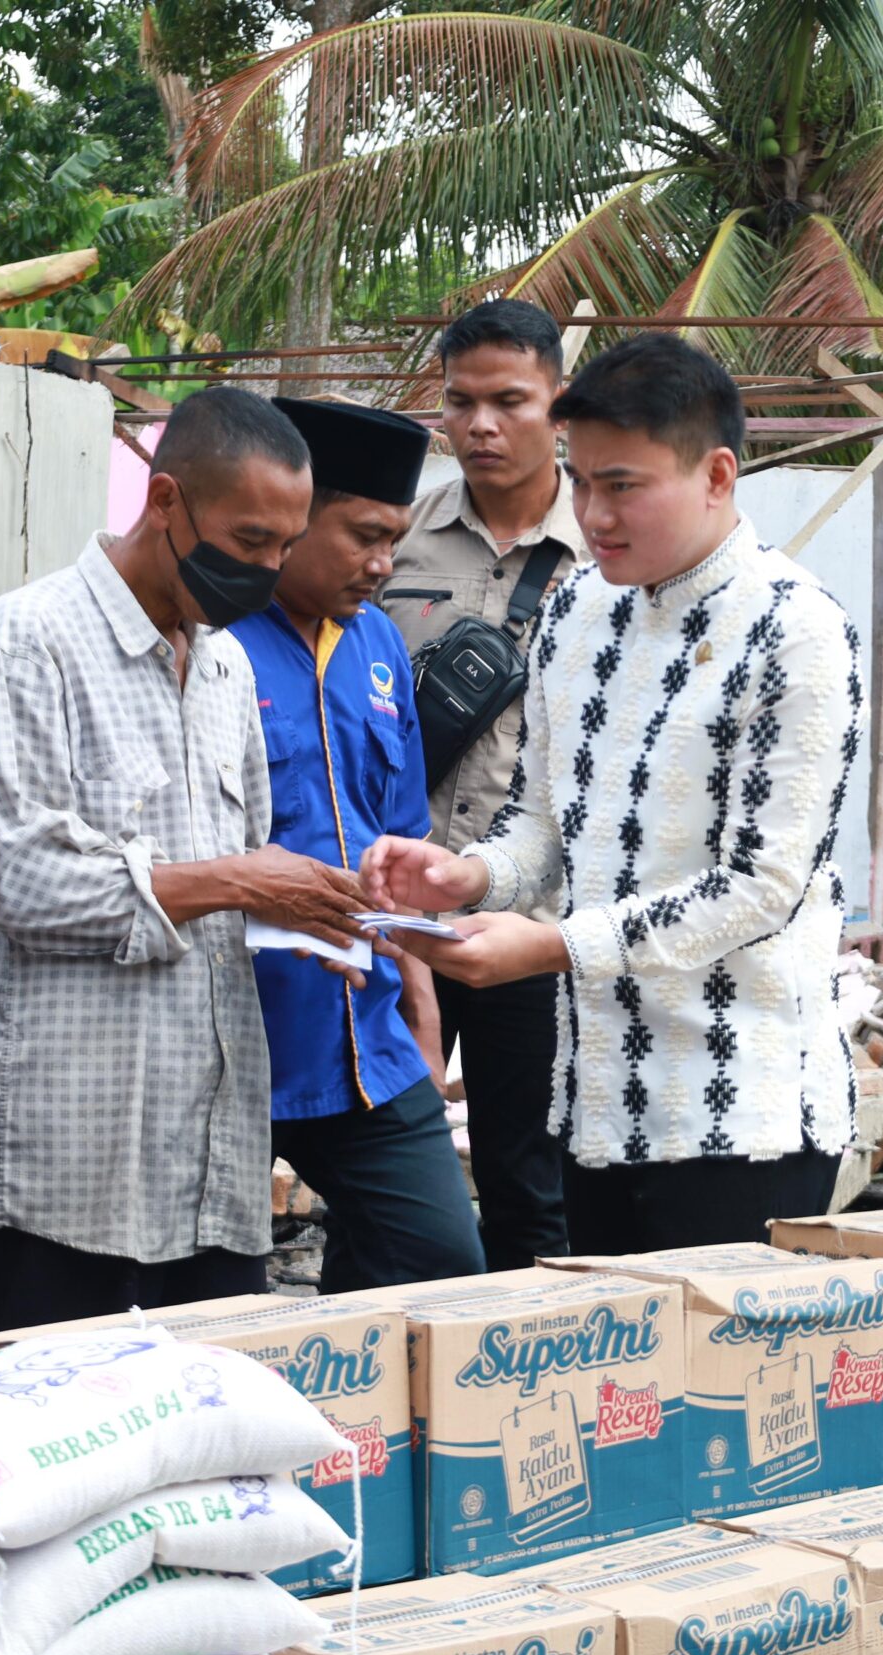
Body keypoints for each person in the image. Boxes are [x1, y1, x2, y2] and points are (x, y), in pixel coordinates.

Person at [364, 334, 865, 1254]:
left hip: (739, 1113)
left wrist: (551, 945)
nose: (593, 513)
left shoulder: (797, 630)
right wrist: (466, 878)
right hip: (592, 1101)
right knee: (611, 1393)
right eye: (582, 480)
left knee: (720, 1396)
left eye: (623, 485)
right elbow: (543, 823)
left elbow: (761, 888)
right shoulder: (578, 611)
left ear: (718, 474)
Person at [0, 386, 375, 1336]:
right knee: (54, 1441)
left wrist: (317, 910)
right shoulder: (30, 640)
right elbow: (25, 879)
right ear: (168, 498)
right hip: (70, 1166)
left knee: (207, 1458)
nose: (269, 567)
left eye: (284, 546)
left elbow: (243, 868)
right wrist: (237, 882)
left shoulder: (226, 667)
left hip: (210, 1152)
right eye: (251, 540)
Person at [235, 397, 484, 1291]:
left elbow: (402, 842)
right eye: (364, 537)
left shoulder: (378, 644)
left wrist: (421, 1010)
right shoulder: (211, 640)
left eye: (396, 541)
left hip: (365, 1035)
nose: (384, 566)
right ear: (294, 516)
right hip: (240, 1037)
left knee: (435, 1257)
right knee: (218, 1297)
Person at [382, 301, 584, 1269]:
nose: (480, 426)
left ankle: (517, 1384)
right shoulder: (399, 546)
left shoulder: (609, 554)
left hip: (534, 919)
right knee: (379, 1164)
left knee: (527, 1180)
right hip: (400, 905)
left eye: (510, 401)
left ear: (556, 402)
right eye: (460, 403)